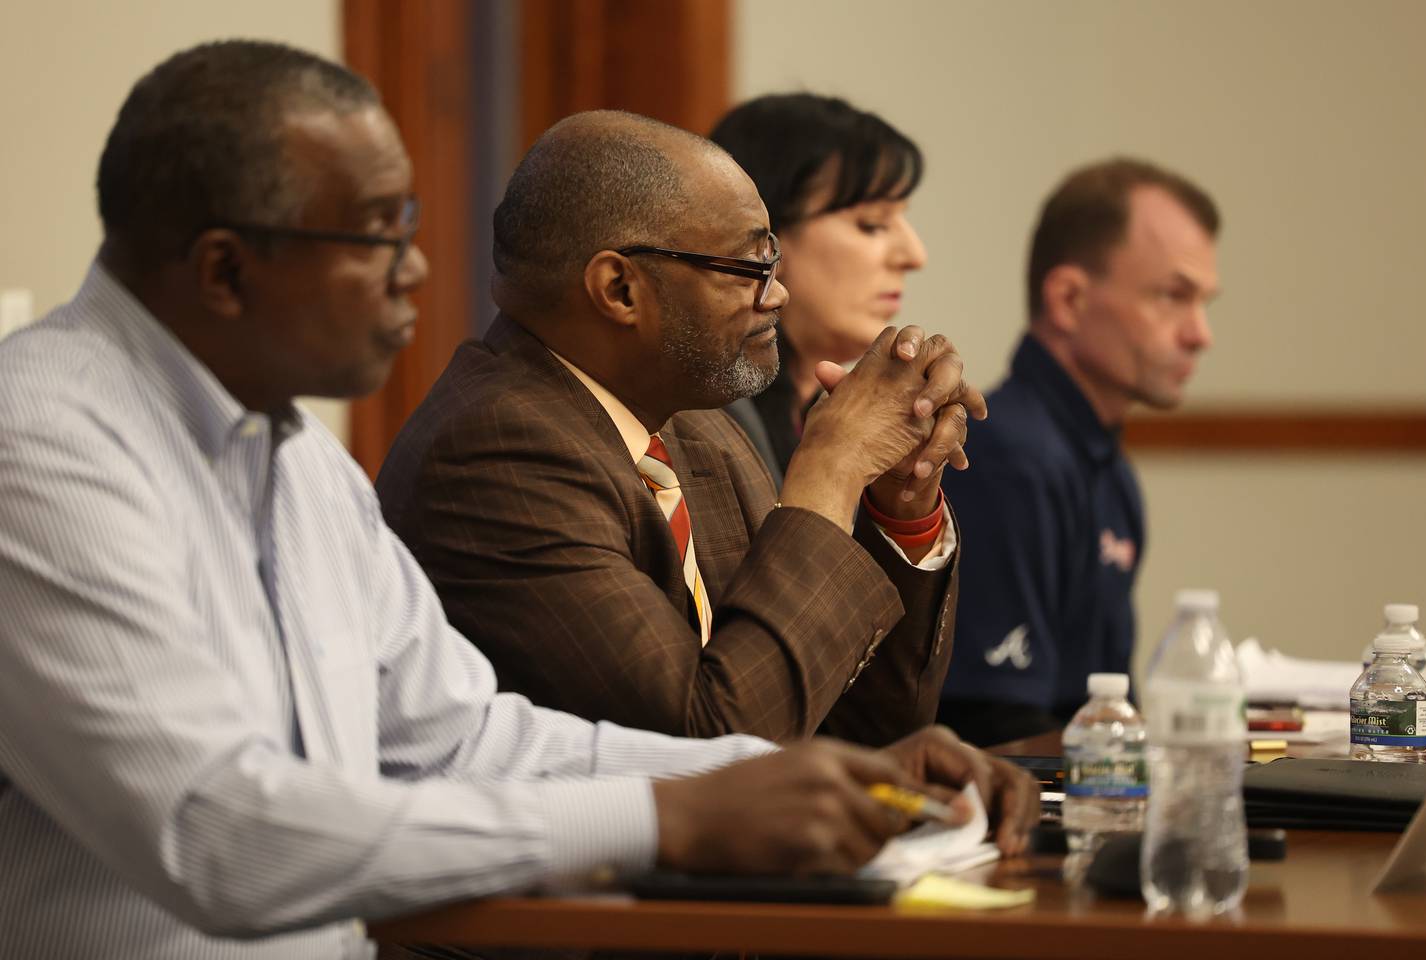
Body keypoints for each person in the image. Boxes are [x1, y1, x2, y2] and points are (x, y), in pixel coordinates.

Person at [0, 42, 1038, 957]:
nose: (413, 270)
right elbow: (217, 836)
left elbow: (461, 738)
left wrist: (816, 779)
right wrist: (664, 819)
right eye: (372, 235)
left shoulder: (295, 459)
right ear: (225, 270)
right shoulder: (40, 445)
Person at [376, 109, 981, 746]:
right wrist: (830, 470)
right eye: (749, 268)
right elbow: (713, 748)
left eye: (773, 262)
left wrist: (899, 504)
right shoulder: (493, 454)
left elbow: (859, 732)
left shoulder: (696, 425)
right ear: (620, 289)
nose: (777, 295)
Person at [935, 158, 1221, 746]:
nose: (1200, 334)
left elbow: (1103, 706)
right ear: (1068, 299)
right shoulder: (1009, 459)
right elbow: (990, 731)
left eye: (1204, 303)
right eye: (1173, 296)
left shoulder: (1105, 466)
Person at [709, 93, 929, 486]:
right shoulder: (706, 425)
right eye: (872, 224)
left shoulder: (822, 412)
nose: (915, 256)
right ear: (763, 237)